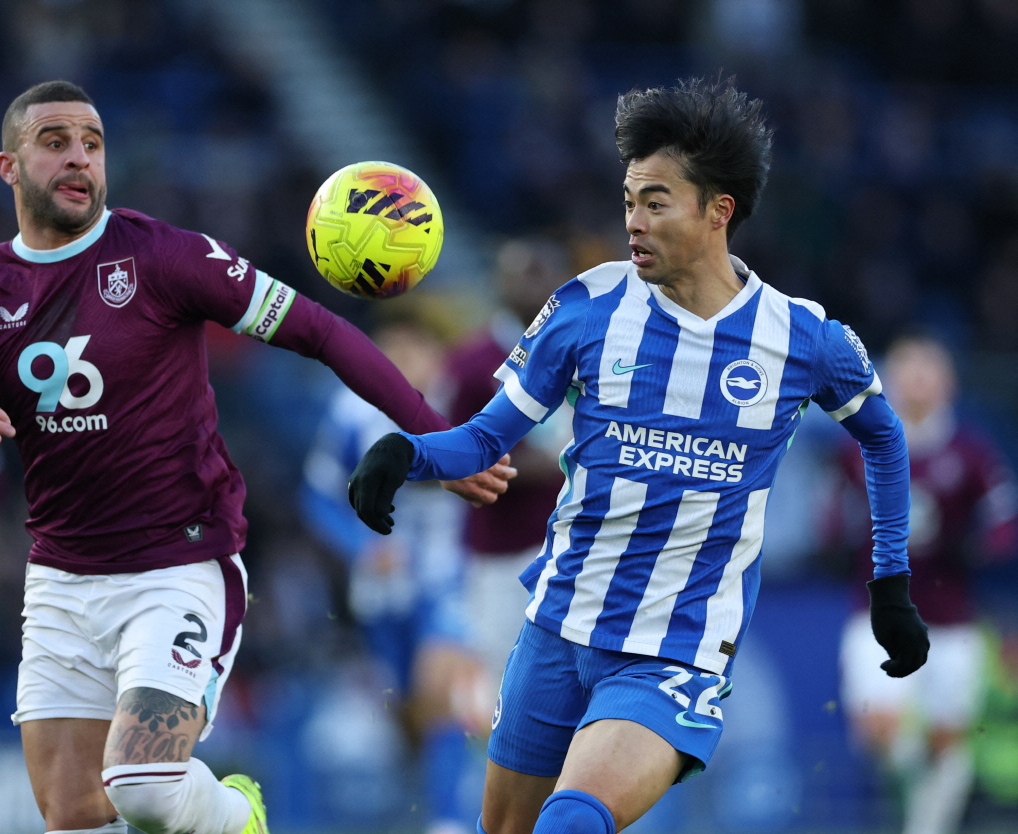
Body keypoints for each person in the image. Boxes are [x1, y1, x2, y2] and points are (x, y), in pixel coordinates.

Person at [0, 80, 514, 834]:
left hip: (179, 566)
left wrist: (440, 442)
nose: (79, 159)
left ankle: (237, 817)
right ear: (8, 165)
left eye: (93, 144)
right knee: (69, 811)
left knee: (144, 786)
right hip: (61, 578)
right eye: (55, 142)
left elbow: (320, 333)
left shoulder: (167, 257)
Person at [348, 77, 931, 834]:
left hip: (675, 649)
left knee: (571, 822)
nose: (634, 221)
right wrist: (407, 453)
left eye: (656, 201)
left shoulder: (803, 338)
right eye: (628, 200)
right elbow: (488, 439)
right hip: (556, 626)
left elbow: (884, 436)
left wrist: (891, 581)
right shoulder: (587, 307)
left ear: (718, 211)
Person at [302, 320, 483, 834]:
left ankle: (449, 818)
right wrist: (363, 546)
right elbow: (317, 496)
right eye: (391, 348)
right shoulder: (351, 413)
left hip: (455, 575)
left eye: (414, 345)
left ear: (438, 353)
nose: (403, 358)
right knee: (406, 714)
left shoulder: (467, 403)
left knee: (440, 690)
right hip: (384, 591)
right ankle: (429, 804)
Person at [835, 334, 1017, 834]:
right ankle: (918, 799)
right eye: (906, 369)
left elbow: (1003, 520)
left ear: (948, 383)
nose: (916, 382)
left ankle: (926, 827)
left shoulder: (973, 452)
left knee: (946, 740)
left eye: (927, 370)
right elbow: (833, 516)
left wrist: (979, 545)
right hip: (876, 612)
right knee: (877, 729)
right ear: (888, 381)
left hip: (951, 618)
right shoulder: (859, 447)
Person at [445, 239, 575, 696]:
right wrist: (536, 466)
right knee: (499, 676)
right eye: (522, 273)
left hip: (576, 542)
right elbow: (455, 457)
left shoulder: (583, 349)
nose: (533, 286)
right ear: (500, 283)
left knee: (566, 676)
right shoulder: (471, 363)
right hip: (501, 547)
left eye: (542, 272)